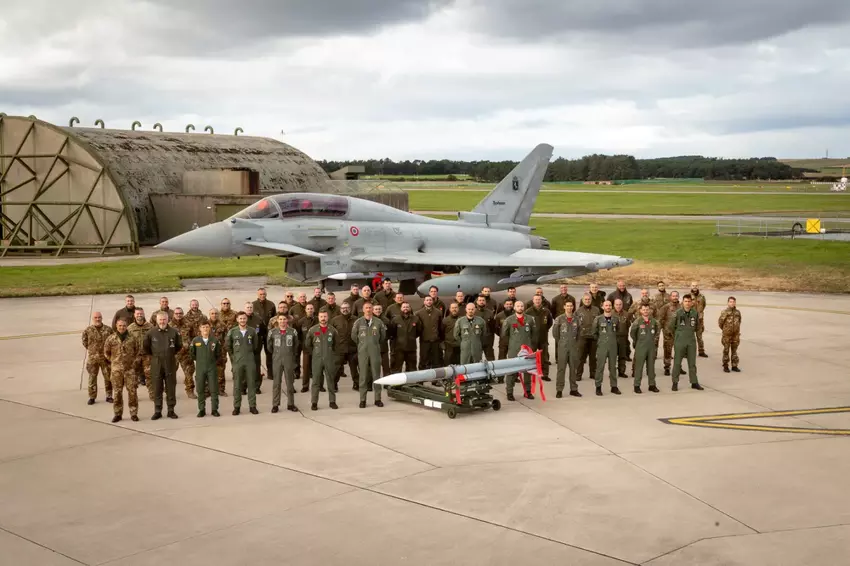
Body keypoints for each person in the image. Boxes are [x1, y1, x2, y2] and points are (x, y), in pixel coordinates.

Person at [143, 313, 182, 420]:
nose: (162, 322)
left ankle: (171, 410)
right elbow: (146, 347)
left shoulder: (174, 332)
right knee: (157, 387)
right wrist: (156, 355)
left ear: (168, 320)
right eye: (160, 320)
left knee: (171, 387)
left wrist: (169, 354)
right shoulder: (151, 333)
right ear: (156, 320)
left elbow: (179, 346)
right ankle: (157, 410)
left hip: (170, 362)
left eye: (164, 319)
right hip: (156, 363)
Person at [225, 311, 262, 415]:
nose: (242, 320)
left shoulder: (252, 331)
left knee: (251, 384)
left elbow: (255, 345)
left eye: (244, 318)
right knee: (237, 385)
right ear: (237, 319)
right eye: (240, 318)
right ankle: (236, 407)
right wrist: (234, 357)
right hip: (237, 362)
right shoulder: (232, 332)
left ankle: (252, 406)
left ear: (247, 319)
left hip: (250, 361)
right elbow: (228, 346)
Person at [103, 319, 139, 422]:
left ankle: (133, 413)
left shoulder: (132, 338)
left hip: (129, 370)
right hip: (116, 370)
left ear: (126, 326)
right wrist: (114, 361)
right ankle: (118, 414)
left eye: (124, 325)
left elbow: (137, 351)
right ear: (116, 326)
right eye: (120, 325)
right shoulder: (111, 338)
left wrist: (132, 362)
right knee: (117, 392)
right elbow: (106, 352)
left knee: (132, 392)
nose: (122, 327)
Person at [352, 303, 387, 408]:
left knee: (376, 375)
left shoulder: (378, 322)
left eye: (370, 308)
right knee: (363, 376)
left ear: (372, 309)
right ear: (363, 310)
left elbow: (382, 336)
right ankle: (362, 400)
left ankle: (377, 399)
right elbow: (354, 336)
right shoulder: (358, 322)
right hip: (363, 352)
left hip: (375, 351)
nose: (368, 309)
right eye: (366, 308)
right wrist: (362, 344)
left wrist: (373, 343)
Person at [501, 300, 536, 401]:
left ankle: (527, 391)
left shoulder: (530, 319)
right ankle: (509, 392)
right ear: (514, 308)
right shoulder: (509, 320)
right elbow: (504, 335)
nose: (520, 308)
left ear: (523, 307)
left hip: (527, 350)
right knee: (511, 371)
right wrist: (512, 344)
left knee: (528, 371)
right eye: (518, 306)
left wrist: (530, 346)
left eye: (521, 306)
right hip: (514, 350)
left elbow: (534, 334)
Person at [669, 295, 704, 391]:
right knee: (677, 363)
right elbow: (671, 327)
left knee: (692, 363)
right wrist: (678, 335)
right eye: (685, 301)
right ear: (682, 302)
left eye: (689, 301)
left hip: (691, 340)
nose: (687, 303)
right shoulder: (678, 313)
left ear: (691, 303)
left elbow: (697, 326)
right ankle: (675, 382)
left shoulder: (694, 313)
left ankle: (694, 382)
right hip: (680, 340)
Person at [190, 321, 224, 417]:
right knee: (200, 389)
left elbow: (218, 354)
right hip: (200, 368)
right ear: (200, 329)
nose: (205, 329)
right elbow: (192, 354)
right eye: (203, 327)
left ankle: (214, 409)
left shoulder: (215, 340)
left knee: (214, 389)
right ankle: (201, 410)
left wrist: (212, 361)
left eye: (207, 327)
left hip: (211, 368)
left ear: (210, 328)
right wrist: (200, 360)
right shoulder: (196, 340)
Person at [267, 314, 300, 413]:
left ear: (287, 320)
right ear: (277, 320)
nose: (282, 321)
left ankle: (291, 404)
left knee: (290, 382)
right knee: (276, 383)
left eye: (284, 319)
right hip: (277, 359)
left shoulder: (293, 332)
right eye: (280, 319)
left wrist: (290, 354)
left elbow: (296, 345)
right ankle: (275, 405)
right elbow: (269, 346)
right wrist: (276, 354)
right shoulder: (272, 332)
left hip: (288, 359)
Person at [309, 308, 339, 411]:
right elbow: (308, 345)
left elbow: (336, 345)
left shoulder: (333, 330)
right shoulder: (312, 330)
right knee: (316, 381)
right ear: (318, 317)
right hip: (317, 359)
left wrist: (331, 354)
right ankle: (314, 402)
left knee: (330, 380)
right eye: (321, 316)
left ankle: (332, 401)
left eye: (325, 316)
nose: (323, 318)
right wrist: (315, 353)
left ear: (328, 317)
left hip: (329, 359)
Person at [82, 312, 113, 405]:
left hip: (106, 359)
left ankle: (109, 396)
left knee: (108, 378)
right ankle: (92, 397)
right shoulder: (88, 330)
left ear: (102, 318)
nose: (98, 319)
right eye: (95, 317)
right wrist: (92, 350)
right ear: (93, 319)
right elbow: (85, 342)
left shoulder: (108, 330)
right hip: (93, 359)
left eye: (99, 317)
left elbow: (113, 341)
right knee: (92, 379)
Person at [552, 301, 581, 398]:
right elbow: (555, 333)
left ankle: (574, 389)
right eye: (567, 306)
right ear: (564, 307)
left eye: (571, 306)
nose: (569, 308)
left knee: (573, 369)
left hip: (573, 347)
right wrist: (562, 342)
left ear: (573, 307)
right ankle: (559, 390)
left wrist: (575, 343)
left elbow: (579, 333)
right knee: (561, 369)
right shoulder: (559, 319)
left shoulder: (576, 319)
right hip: (563, 347)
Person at [592, 300, 621, 396]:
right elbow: (594, 332)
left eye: (609, 305)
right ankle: (598, 387)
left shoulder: (615, 319)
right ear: (602, 307)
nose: (608, 307)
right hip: (602, 346)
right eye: (606, 305)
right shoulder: (598, 319)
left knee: (613, 367)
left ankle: (614, 386)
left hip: (613, 346)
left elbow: (618, 331)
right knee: (600, 367)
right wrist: (601, 341)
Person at [630, 304, 660, 394]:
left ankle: (652, 385)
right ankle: (637, 385)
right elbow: (632, 333)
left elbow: (657, 331)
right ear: (640, 311)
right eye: (644, 310)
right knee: (639, 367)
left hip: (651, 346)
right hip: (641, 346)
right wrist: (638, 341)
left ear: (650, 310)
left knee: (651, 366)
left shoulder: (654, 321)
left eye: (647, 309)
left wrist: (653, 339)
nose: (646, 311)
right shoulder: (637, 321)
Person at [170, 308, 198, 400]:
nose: (178, 315)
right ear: (174, 314)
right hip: (173, 355)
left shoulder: (189, 324)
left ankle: (190, 391)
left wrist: (192, 348)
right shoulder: (169, 325)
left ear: (183, 314)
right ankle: (170, 393)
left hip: (186, 354)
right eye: (176, 313)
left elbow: (194, 337)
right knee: (170, 374)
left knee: (189, 373)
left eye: (180, 313)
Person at [331, 302, 359, 390]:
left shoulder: (356, 319)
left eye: (347, 308)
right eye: (343, 308)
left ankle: (356, 384)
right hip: (339, 348)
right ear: (340, 309)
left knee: (354, 368)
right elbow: (330, 334)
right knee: (337, 368)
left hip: (353, 348)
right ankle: (334, 385)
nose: (345, 309)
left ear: (350, 309)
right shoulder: (335, 320)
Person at [127, 308, 153, 399]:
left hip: (147, 356)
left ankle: (152, 395)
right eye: (137, 314)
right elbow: (127, 342)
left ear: (144, 314)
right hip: (135, 357)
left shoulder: (150, 327)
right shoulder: (130, 328)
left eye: (141, 313)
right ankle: (133, 396)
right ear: (134, 315)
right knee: (133, 377)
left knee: (150, 376)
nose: (139, 315)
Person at [526, 295, 553, 381]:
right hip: (532, 338)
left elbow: (549, 323)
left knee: (544, 357)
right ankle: (530, 373)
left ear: (541, 300)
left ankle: (545, 374)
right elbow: (526, 324)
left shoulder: (546, 311)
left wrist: (544, 330)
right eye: (536, 299)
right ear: (533, 301)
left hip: (543, 337)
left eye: (539, 299)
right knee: (531, 356)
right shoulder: (528, 311)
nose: (537, 301)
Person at [253, 287, 277, 382]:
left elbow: (275, 319)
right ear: (257, 295)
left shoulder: (271, 304)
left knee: (270, 353)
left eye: (264, 294)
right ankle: (257, 374)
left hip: (268, 333)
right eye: (261, 294)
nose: (262, 296)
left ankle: (271, 373)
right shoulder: (253, 305)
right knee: (256, 355)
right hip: (258, 334)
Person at [657, 291, 683, 376]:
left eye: (676, 296)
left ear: (678, 297)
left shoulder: (682, 307)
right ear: (670, 297)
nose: (675, 297)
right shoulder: (666, 307)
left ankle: (679, 366)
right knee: (668, 351)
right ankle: (667, 367)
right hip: (668, 333)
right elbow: (660, 319)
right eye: (673, 296)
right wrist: (661, 330)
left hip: (679, 333)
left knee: (679, 351)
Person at [576, 294, 601, 380]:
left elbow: (599, 322)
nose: (587, 301)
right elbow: (575, 324)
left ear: (591, 300)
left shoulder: (596, 310)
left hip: (593, 337)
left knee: (593, 357)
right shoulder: (578, 311)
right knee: (580, 357)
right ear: (583, 300)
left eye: (589, 299)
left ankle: (593, 374)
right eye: (585, 299)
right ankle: (578, 374)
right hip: (582, 337)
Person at [390, 302, 419, 372]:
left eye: (407, 307)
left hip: (411, 348)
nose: (405, 308)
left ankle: (411, 379)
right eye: (404, 307)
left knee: (412, 369)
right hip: (398, 349)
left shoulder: (416, 319)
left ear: (410, 308)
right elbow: (392, 333)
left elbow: (419, 331)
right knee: (396, 369)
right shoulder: (395, 319)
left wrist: (411, 337)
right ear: (401, 308)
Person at [243, 302, 265, 394]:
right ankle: (243, 387)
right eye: (247, 307)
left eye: (251, 307)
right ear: (244, 308)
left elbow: (263, 332)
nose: (249, 309)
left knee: (256, 368)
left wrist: (260, 345)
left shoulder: (258, 319)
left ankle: (256, 387)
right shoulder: (241, 318)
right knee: (244, 369)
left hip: (256, 349)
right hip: (244, 349)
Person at [416, 296, 443, 369]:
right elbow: (418, 328)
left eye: (430, 300)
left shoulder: (438, 312)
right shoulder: (418, 313)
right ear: (424, 302)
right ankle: (423, 374)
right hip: (424, 341)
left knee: (436, 360)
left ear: (432, 301)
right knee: (424, 359)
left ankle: (435, 375)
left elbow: (440, 326)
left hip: (435, 341)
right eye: (427, 300)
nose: (429, 301)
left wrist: (440, 338)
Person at [208, 308, 229, 397]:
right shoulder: (205, 325)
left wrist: (224, 349)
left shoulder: (222, 325)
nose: (214, 315)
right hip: (208, 351)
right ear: (209, 314)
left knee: (220, 371)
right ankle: (207, 390)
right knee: (208, 371)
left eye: (216, 313)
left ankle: (221, 389)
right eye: (212, 313)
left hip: (220, 351)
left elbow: (227, 338)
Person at [718, 297, 742, 373]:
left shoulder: (738, 312)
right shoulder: (724, 312)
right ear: (728, 303)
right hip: (727, 335)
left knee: (734, 350)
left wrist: (736, 330)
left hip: (735, 335)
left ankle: (734, 365)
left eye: (733, 302)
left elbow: (739, 321)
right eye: (730, 302)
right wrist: (725, 330)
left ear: (735, 303)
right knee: (726, 350)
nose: (732, 303)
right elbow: (720, 323)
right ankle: (725, 365)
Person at [297, 303, 317, 393]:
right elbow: (298, 336)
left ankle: (319, 385)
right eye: (308, 309)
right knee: (306, 368)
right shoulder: (301, 322)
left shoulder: (318, 320)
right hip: (306, 349)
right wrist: (302, 345)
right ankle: (305, 386)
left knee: (318, 368)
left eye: (311, 308)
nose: (310, 310)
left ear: (314, 309)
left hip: (318, 348)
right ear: (305, 310)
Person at [612, 298, 631, 377]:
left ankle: (621, 372)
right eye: (617, 304)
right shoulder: (610, 313)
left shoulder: (626, 314)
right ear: (614, 305)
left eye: (620, 304)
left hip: (623, 338)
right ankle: (612, 372)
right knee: (612, 356)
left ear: (622, 305)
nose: (618, 306)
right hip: (613, 338)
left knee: (622, 356)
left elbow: (628, 325)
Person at [475, 295, 496, 361]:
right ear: (477, 302)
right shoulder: (473, 313)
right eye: (480, 300)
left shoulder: (490, 313)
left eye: (483, 300)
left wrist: (491, 340)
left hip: (488, 341)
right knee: (476, 360)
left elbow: (493, 328)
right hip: (477, 340)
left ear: (485, 302)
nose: (481, 302)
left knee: (491, 360)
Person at [372, 303, 392, 376]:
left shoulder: (386, 320)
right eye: (376, 309)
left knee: (386, 367)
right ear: (373, 310)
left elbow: (390, 332)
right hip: (372, 347)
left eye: (379, 309)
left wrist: (385, 338)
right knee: (373, 367)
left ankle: (387, 380)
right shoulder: (368, 320)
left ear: (382, 310)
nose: (378, 311)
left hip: (383, 347)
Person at [690, 282, 708, 357]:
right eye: (693, 285)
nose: (695, 287)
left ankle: (701, 351)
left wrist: (700, 313)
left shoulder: (702, 297)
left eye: (696, 285)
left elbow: (704, 305)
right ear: (691, 286)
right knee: (689, 337)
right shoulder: (688, 296)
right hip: (690, 319)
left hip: (699, 319)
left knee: (699, 337)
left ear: (698, 286)